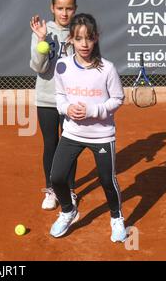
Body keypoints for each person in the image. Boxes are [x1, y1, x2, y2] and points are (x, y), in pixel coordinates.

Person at [49, 13, 127, 242]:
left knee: (106, 180)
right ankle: (67, 210)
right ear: (70, 39)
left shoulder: (108, 69)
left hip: (102, 135)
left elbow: (118, 99)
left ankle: (116, 218)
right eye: (78, 38)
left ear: (96, 39)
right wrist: (66, 109)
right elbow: (60, 96)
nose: (84, 44)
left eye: (89, 38)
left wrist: (93, 111)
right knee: (57, 177)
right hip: (72, 132)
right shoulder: (62, 66)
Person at [29, 0, 78, 210]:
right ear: (52, 8)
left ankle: (69, 189)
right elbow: (38, 67)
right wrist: (41, 40)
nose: (64, 13)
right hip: (47, 98)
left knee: (70, 146)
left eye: (69, 8)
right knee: (51, 144)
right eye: (60, 8)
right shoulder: (42, 30)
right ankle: (51, 190)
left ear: (74, 9)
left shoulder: (80, 31)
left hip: (71, 100)